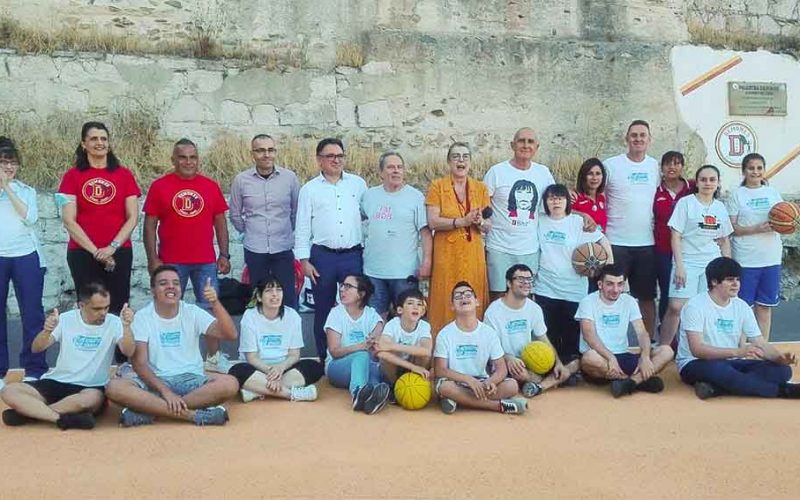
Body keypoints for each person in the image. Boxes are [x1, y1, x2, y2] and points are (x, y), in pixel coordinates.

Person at [105, 265, 239, 427]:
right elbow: (139, 364)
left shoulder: (192, 312)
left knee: (230, 384)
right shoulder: (142, 317)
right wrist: (165, 391)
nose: (171, 287)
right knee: (114, 387)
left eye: (176, 283)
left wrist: (215, 302)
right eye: (163, 283)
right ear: (153, 290)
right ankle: (192, 415)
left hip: (191, 379)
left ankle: (152, 410)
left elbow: (230, 334)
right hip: (155, 381)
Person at [143, 138, 231, 363]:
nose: (188, 162)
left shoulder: (210, 186)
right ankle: (170, 358)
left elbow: (220, 222)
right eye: (182, 157)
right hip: (171, 264)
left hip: (205, 262)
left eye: (193, 157)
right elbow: (150, 225)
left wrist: (224, 254)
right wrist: (152, 259)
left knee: (210, 308)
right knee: (168, 308)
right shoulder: (159, 186)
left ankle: (213, 358)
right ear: (173, 159)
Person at [0, 283, 135, 429]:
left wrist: (126, 327)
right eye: (97, 309)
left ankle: (30, 413)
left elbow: (128, 352)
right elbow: (37, 348)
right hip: (57, 380)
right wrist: (46, 331)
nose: (103, 313)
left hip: (90, 387)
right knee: (9, 391)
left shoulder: (114, 322)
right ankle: (59, 418)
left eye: (106, 307)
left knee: (90, 400)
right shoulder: (65, 319)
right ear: (81, 306)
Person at [677, 257, 800, 400]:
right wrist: (738, 351)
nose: (736, 284)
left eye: (738, 279)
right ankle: (784, 391)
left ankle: (716, 389)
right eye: (730, 280)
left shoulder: (741, 306)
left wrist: (779, 358)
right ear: (714, 282)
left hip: (730, 361)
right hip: (694, 363)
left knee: (783, 371)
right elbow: (697, 350)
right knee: (722, 371)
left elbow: (759, 342)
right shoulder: (695, 306)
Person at [56, 122, 141, 317]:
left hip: (119, 252)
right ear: (83, 144)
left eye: (104, 139)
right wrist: (97, 253)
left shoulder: (124, 175)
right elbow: (69, 220)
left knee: (118, 309)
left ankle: (120, 349)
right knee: (90, 310)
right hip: (83, 254)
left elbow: (133, 217)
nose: (99, 143)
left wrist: (111, 248)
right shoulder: (71, 177)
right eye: (94, 138)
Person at [295, 138, 367, 363]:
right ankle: (324, 359)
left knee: (355, 306)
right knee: (323, 309)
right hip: (322, 257)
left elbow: (367, 216)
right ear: (319, 160)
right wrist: (304, 261)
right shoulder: (309, 189)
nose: (336, 160)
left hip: (352, 255)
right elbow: (302, 227)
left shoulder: (358, 184)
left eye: (340, 156)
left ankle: (356, 355)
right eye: (330, 156)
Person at [533, 184, 611, 364]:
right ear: (545, 202)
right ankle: (551, 367)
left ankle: (571, 369)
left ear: (567, 201)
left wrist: (609, 267)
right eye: (551, 198)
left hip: (573, 288)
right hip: (546, 287)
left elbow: (601, 240)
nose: (556, 202)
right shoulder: (540, 220)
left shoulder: (577, 223)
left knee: (571, 334)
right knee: (549, 333)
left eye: (560, 198)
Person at [660, 165, 733, 347]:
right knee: (676, 307)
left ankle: (699, 347)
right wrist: (680, 266)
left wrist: (729, 269)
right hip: (687, 261)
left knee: (704, 309)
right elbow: (675, 235)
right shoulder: (686, 203)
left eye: (712, 179)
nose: (707, 183)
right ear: (697, 182)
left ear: (717, 183)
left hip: (711, 264)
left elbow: (724, 240)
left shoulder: (720, 208)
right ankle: (663, 347)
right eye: (703, 179)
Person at [484, 264, 580, 398]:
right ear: (508, 283)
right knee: (522, 374)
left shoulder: (534, 308)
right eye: (521, 279)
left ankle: (538, 387)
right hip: (504, 361)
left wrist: (557, 363)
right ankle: (544, 382)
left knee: (573, 364)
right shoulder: (493, 311)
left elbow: (543, 339)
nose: (526, 283)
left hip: (530, 359)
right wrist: (508, 357)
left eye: (530, 280)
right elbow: (490, 346)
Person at [577, 264, 673, 398]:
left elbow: (642, 333)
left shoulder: (629, 301)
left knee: (666, 351)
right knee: (588, 358)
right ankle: (639, 380)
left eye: (620, 284)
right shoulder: (588, 301)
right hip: (601, 358)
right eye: (610, 284)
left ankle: (630, 382)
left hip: (624, 355)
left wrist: (645, 358)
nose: (616, 289)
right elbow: (589, 335)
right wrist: (610, 358)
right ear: (600, 284)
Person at [426, 142, 491, 335]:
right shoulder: (437, 186)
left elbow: (488, 225)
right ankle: (439, 349)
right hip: (446, 255)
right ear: (448, 161)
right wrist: (462, 221)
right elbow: (433, 222)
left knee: (474, 297)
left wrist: (479, 222)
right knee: (444, 299)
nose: (460, 160)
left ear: (470, 162)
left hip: (473, 255)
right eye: (455, 156)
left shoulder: (480, 188)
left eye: (465, 156)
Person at [433, 281, 527, 415]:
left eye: (467, 294)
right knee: (444, 386)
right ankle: (496, 406)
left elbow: (501, 369)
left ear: (477, 302)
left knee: (512, 386)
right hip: (456, 382)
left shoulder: (488, 332)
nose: (463, 298)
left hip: (481, 381)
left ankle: (458, 399)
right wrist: (468, 379)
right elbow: (440, 370)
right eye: (458, 296)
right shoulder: (445, 334)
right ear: (452, 306)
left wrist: (491, 382)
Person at [226, 275, 322, 403]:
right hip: (257, 368)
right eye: (268, 291)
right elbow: (251, 357)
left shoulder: (292, 316)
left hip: (284, 367)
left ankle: (256, 390)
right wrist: (271, 372)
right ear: (259, 297)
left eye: (278, 290)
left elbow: (294, 355)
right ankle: (290, 394)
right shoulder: (250, 316)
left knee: (314, 367)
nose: (275, 295)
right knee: (237, 371)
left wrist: (280, 368)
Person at [603, 120, 660, 337]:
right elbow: (594, 191)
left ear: (649, 140)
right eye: (633, 135)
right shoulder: (611, 165)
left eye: (642, 135)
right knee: (610, 294)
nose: (638, 139)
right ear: (626, 139)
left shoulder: (655, 166)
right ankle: (610, 342)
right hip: (615, 242)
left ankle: (648, 342)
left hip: (646, 243)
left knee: (646, 297)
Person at [483, 128, 554, 300]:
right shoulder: (496, 172)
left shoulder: (543, 173)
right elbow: (482, 202)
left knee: (525, 298)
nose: (525, 145)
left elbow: (554, 202)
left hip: (528, 249)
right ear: (512, 145)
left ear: (537, 146)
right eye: (521, 141)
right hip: (499, 248)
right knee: (498, 298)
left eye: (530, 142)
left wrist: (581, 214)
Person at [229, 134, 300, 309]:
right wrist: (251, 231)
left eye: (270, 150)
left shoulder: (290, 178)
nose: (266, 154)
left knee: (287, 296)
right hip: (255, 249)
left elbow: (296, 211)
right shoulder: (241, 180)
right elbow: (235, 214)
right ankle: (259, 334)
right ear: (252, 154)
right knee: (258, 295)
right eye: (260, 150)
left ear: (275, 152)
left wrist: (286, 230)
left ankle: (289, 335)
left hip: (283, 247)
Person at [361, 151, 432, 319]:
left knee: (407, 320)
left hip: (404, 273)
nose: (396, 171)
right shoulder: (369, 196)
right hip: (374, 272)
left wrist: (427, 262)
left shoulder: (415, 197)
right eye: (391, 167)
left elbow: (425, 232)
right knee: (376, 321)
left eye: (399, 167)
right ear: (380, 172)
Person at [0, 137, 47, 387]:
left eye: (13, 163)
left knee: (32, 313)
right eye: (3, 163)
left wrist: (7, 188)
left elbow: (30, 218)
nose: (9, 168)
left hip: (26, 256)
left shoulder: (25, 190)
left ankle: (35, 368)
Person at [727, 153, 784, 340]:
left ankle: (762, 347)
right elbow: (732, 229)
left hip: (770, 258)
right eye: (751, 168)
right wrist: (756, 228)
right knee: (744, 307)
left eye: (759, 168)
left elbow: (784, 220)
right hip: (746, 259)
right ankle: (741, 349)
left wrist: (787, 224)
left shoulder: (772, 193)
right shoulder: (737, 195)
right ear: (744, 171)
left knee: (765, 306)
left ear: (764, 170)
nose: (755, 171)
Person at [324, 274, 390, 415]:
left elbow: (376, 341)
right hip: (337, 367)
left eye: (348, 287)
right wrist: (360, 347)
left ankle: (374, 400)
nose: (342, 290)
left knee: (373, 366)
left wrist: (373, 343)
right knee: (361, 356)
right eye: (342, 285)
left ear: (361, 294)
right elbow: (334, 352)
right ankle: (358, 393)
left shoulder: (372, 315)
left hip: (366, 365)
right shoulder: (336, 314)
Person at [653, 151, 694, 323]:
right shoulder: (655, 190)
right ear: (661, 167)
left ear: (682, 167)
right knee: (667, 292)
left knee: (688, 294)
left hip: (689, 250)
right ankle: (666, 337)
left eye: (677, 163)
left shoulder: (692, 188)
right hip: (663, 249)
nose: (672, 167)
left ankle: (689, 333)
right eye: (668, 163)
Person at [374, 288, 433, 387]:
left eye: (419, 304)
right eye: (410, 303)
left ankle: (415, 384)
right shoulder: (392, 324)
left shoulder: (424, 326)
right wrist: (412, 367)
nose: (415, 307)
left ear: (422, 311)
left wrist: (392, 346)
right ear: (400, 310)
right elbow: (381, 350)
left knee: (425, 356)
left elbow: (427, 351)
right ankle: (394, 386)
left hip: (415, 367)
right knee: (384, 354)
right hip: (395, 367)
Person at [571, 157, 608, 232]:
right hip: (583, 242)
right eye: (590, 174)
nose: (594, 178)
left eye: (598, 174)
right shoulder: (574, 197)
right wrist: (583, 215)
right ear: (583, 176)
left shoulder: (601, 198)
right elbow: (564, 213)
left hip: (602, 241)